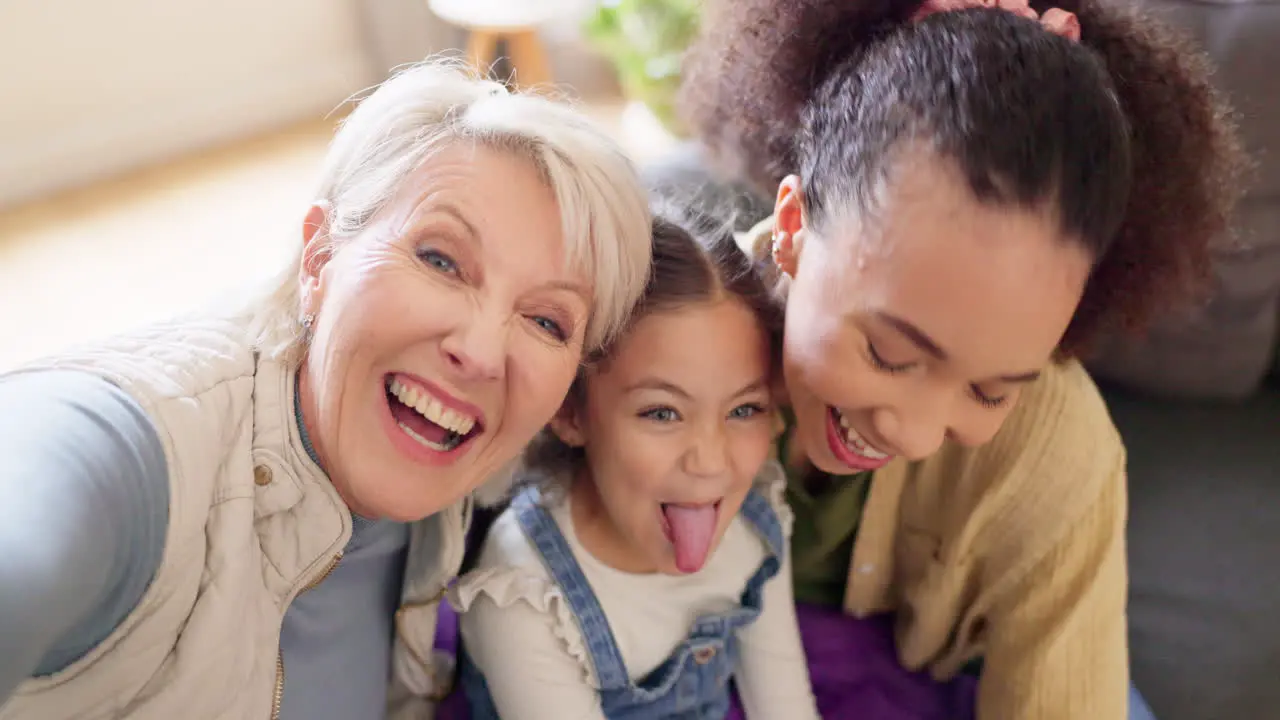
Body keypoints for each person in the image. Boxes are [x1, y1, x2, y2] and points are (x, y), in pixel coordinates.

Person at [0, 59, 653, 720]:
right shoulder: (140, 448)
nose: (481, 353)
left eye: (546, 320)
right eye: (440, 259)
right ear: (319, 257)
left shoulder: (462, 494)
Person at [678, 0, 1247, 718]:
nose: (913, 436)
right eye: (889, 354)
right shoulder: (650, 336)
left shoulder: (1060, 452)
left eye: (988, 393)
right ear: (794, 226)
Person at [448, 207, 820, 720]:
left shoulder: (755, 526)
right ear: (570, 410)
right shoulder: (526, 597)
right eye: (662, 412)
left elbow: (786, 708)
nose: (710, 462)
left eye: (744, 409)